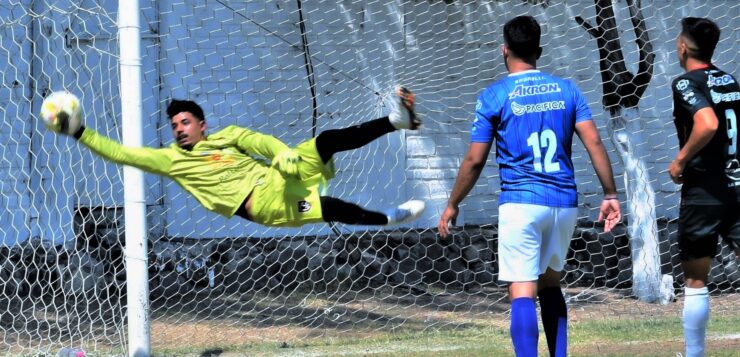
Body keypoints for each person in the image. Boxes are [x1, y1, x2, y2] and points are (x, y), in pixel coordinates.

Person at [438, 16, 621, 357]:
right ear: (539, 50)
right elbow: (594, 142)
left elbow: (474, 160)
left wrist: (453, 203)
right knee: (551, 284)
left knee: (522, 291)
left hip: (521, 203)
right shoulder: (568, 89)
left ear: (504, 49)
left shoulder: (494, 95)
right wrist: (610, 194)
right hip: (564, 203)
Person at [44, 86, 425, 228]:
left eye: (185, 122)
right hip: (264, 205)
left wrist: (283, 154)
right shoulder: (173, 160)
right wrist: (80, 131)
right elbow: (123, 153)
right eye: (175, 125)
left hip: (279, 176)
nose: (179, 129)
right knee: (333, 207)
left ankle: (396, 120)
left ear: (202, 125)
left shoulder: (227, 138)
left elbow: (260, 141)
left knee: (325, 140)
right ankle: (387, 219)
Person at [669, 17, 740, 357]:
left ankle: (694, 354)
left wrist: (680, 160)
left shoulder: (686, 83)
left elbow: (708, 123)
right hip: (738, 188)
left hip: (704, 193)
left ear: (683, 46)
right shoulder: (730, 80)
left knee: (696, 281)